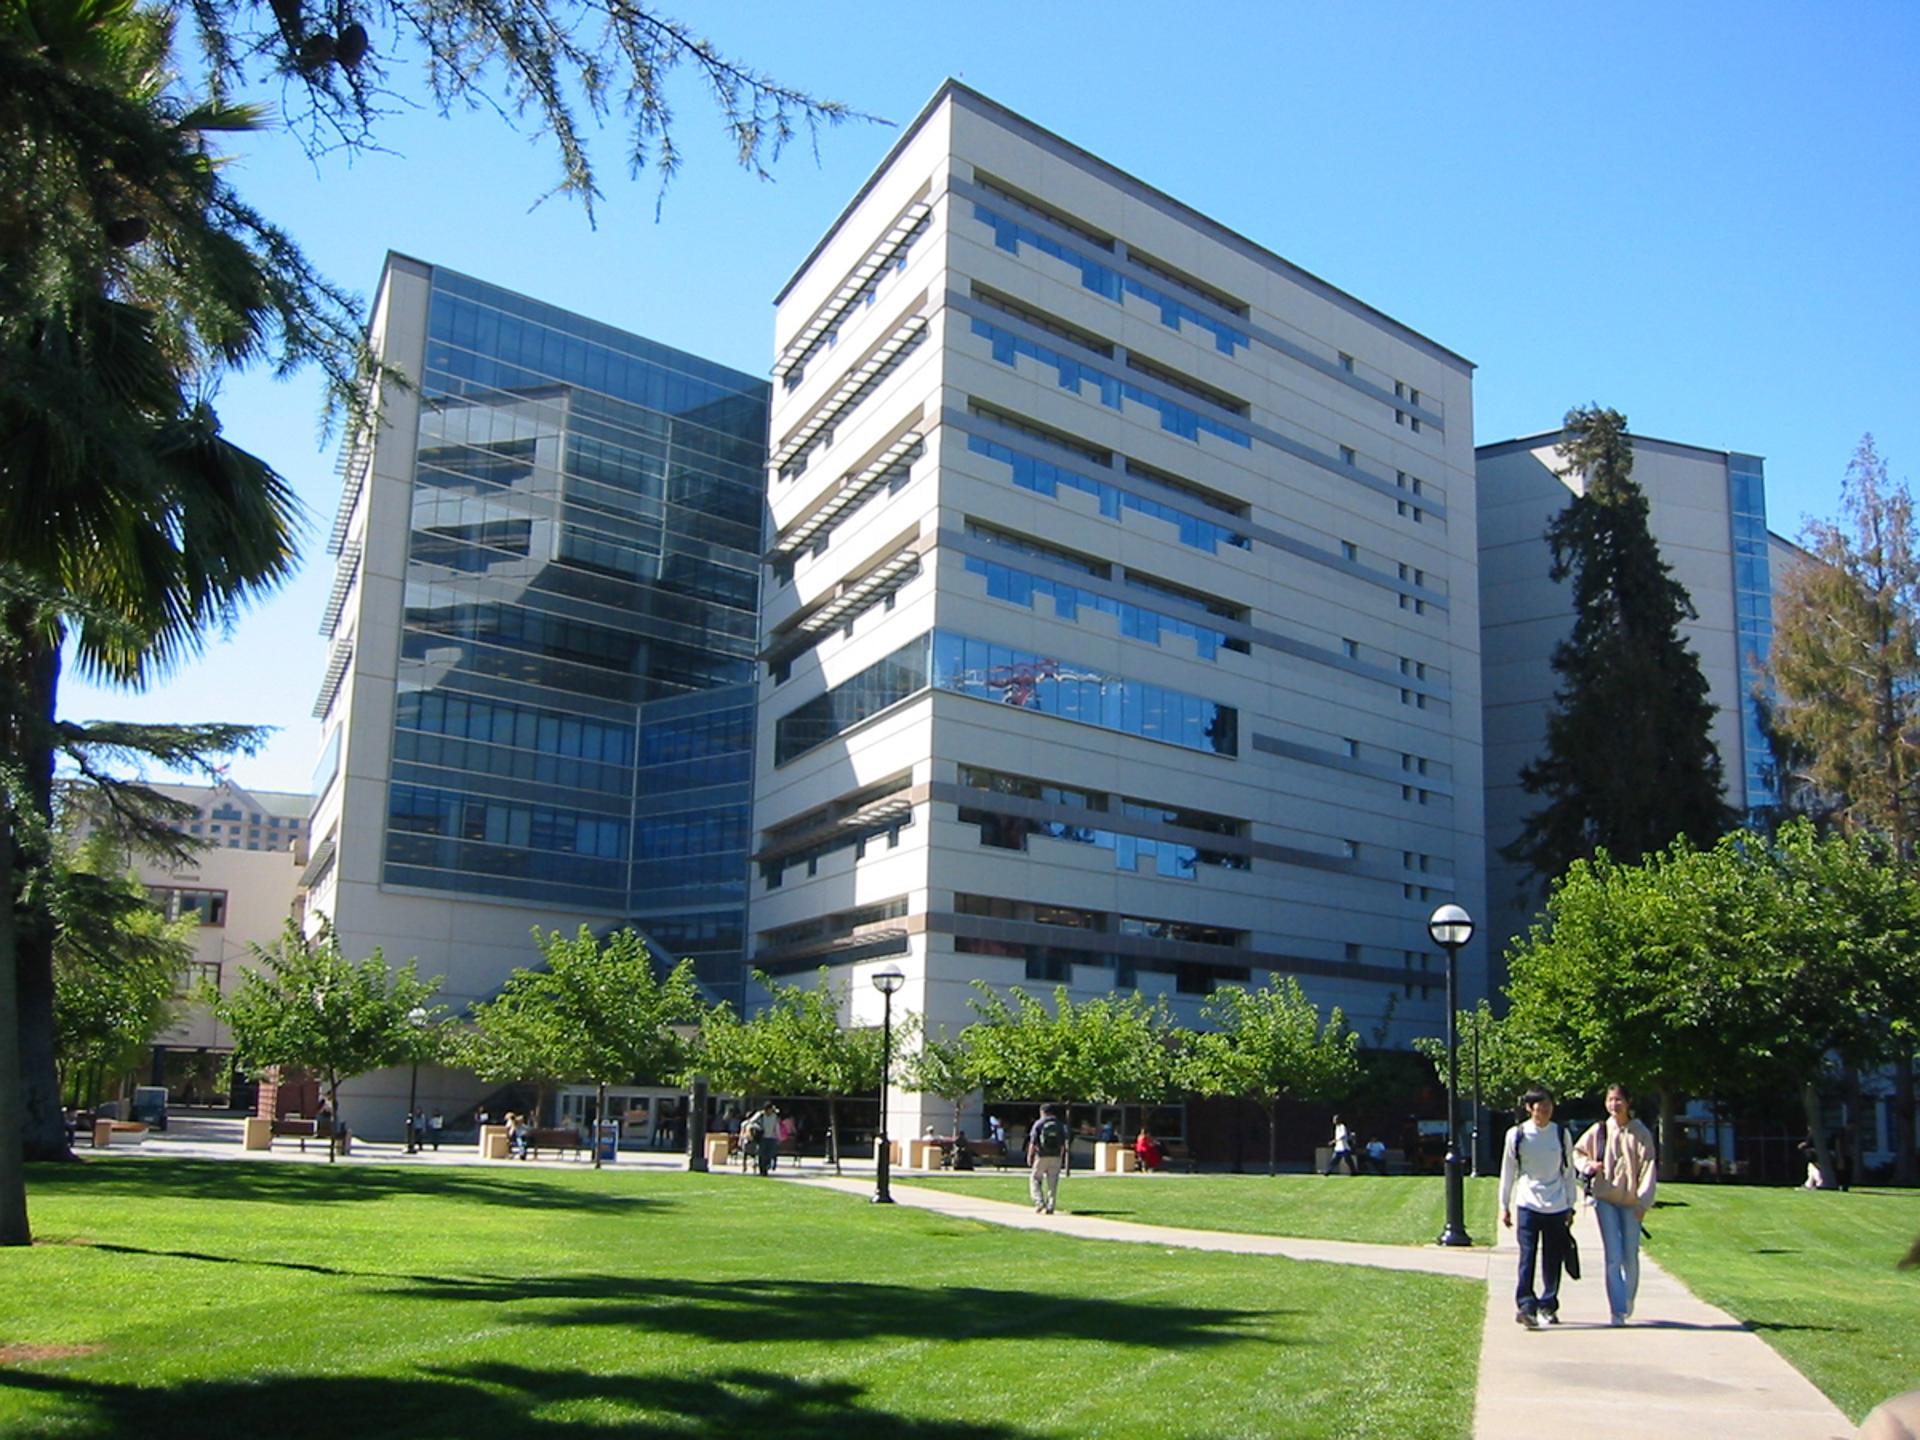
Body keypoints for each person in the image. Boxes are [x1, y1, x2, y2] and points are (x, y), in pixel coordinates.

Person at [1574, 1082, 1657, 1327]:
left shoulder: (1640, 1133)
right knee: (1613, 1255)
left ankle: (1628, 1299)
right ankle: (1617, 1310)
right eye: (1610, 1100)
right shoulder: (1599, 1130)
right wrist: (1589, 1166)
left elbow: (1648, 1167)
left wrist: (1644, 1201)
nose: (1614, 1104)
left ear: (1628, 1102)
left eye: (1618, 1100)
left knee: (1630, 1256)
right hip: (1605, 1199)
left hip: (1631, 1203)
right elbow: (1578, 1153)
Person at [1499, 1085, 1578, 1329]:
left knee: (1552, 1257)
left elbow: (1568, 1171)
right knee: (1527, 1255)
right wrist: (1504, 1205)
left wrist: (1570, 1205)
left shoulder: (1560, 1134)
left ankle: (1548, 1304)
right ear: (1529, 1108)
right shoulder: (1517, 1135)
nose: (1544, 1112)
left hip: (1555, 1205)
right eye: (1540, 1107)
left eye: (1548, 1107)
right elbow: (1508, 1170)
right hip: (1527, 1202)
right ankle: (1526, 1305)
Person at [1028, 1104, 1068, 1214]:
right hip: (1055, 1156)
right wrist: (1062, 1156)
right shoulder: (1060, 1125)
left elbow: (1033, 1142)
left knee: (1035, 1179)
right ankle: (1051, 1206)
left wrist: (1030, 1156)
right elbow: (1063, 1144)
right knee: (1053, 1182)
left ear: (1042, 1112)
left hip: (1041, 1155)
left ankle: (1039, 1202)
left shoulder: (1039, 1123)